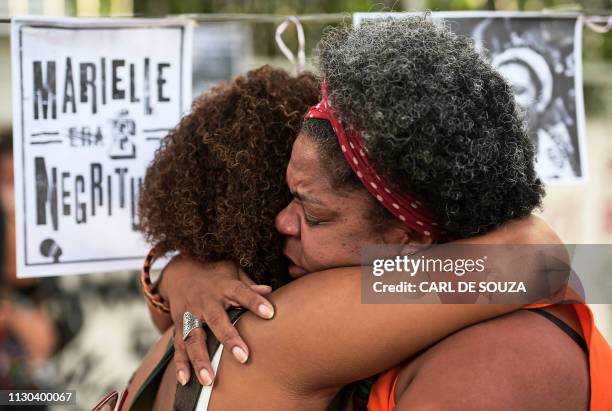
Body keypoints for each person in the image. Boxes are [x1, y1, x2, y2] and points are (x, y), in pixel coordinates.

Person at [126, 17, 610, 411]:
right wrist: (179, 273)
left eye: (314, 214)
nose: (281, 222)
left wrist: (174, 273)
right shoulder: (260, 313)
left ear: (410, 237)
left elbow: (534, 257)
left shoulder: (499, 355)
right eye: (285, 198)